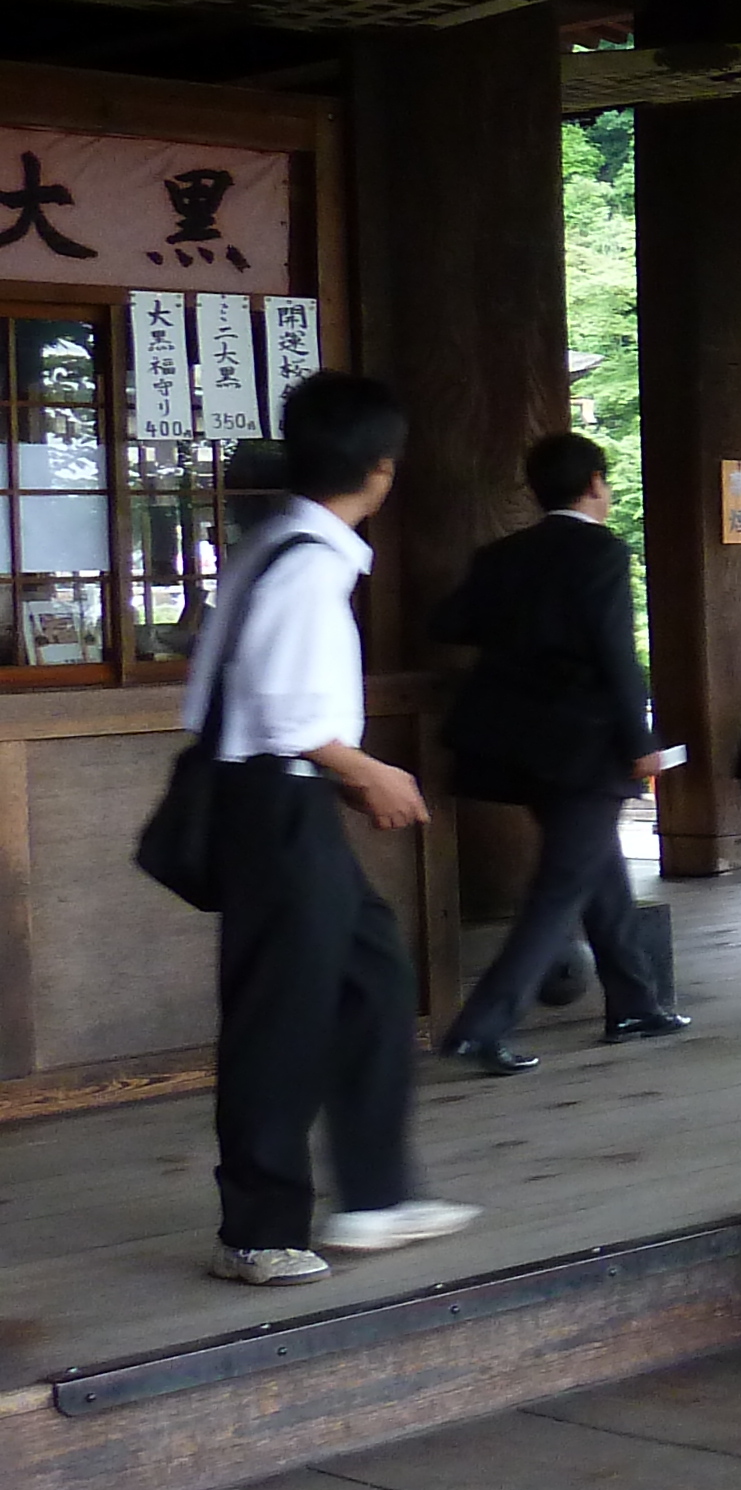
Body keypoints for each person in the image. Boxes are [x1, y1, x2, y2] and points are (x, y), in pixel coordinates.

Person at [191, 373, 480, 1286]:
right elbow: (281, 712)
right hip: (275, 799)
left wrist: (342, 776)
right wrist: (368, 772)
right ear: (381, 468)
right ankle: (259, 1230)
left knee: (374, 979)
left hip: (281, 797)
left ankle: (376, 1194)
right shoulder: (310, 561)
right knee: (280, 1020)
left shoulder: (278, 545)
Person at [426, 431, 684, 1074]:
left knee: (596, 868)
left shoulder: (502, 554)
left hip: (514, 742)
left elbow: (449, 624)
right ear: (596, 482)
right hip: (584, 745)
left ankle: (635, 1003)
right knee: (560, 888)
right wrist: (641, 742)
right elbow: (614, 655)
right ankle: (481, 1026)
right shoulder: (601, 553)